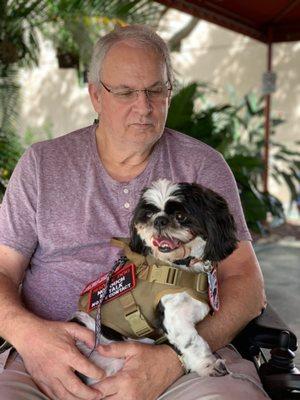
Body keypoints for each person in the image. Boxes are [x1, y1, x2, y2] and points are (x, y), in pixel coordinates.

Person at [0, 25, 268, 400]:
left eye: (156, 91)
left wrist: (175, 357)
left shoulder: (202, 166)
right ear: (95, 95)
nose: (143, 107)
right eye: (125, 92)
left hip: (179, 361)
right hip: (49, 357)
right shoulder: (42, 165)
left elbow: (246, 283)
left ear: (169, 92)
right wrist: (30, 338)